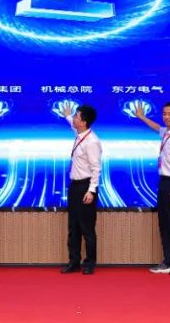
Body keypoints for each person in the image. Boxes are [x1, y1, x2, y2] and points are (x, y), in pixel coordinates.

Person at [134, 101, 170, 276]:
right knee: (164, 223)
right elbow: (157, 127)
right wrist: (142, 117)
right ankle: (168, 261)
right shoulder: (167, 132)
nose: (166, 117)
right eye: (164, 113)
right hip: (164, 182)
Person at [59, 103, 102, 275]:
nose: (74, 119)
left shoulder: (92, 142)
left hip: (86, 187)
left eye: (76, 116)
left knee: (87, 228)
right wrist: (67, 115)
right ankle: (74, 262)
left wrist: (91, 190)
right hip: (75, 187)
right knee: (73, 227)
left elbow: (96, 168)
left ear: (83, 122)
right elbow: (73, 126)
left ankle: (90, 263)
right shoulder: (79, 135)